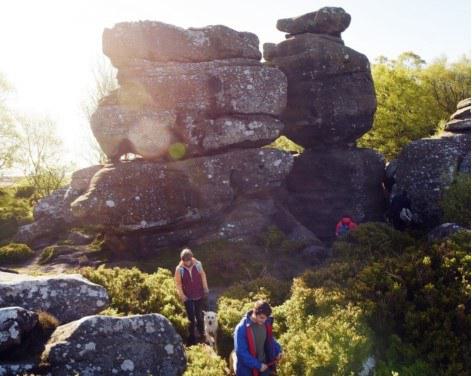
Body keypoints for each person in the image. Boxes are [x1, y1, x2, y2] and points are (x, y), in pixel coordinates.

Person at [234, 300, 282, 376]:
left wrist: (278, 350)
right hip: (248, 371)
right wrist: (258, 365)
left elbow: (270, 340)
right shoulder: (241, 328)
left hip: (264, 367)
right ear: (254, 312)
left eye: (266, 318)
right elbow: (241, 353)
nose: (264, 320)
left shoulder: (265, 322)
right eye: (262, 318)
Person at [174, 248, 209, 345]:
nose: (188, 263)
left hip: (199, 293)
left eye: (189, 260)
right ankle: (192, 338)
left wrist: (205, 289)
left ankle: (202, 335)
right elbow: (178, 284)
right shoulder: (179, 269)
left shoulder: (198, 264)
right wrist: (182, 295)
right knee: (191, 318)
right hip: (187, 296)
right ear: (182, 260)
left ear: (191, 258)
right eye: (185, 261)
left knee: (199, 315)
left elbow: (203, 276)